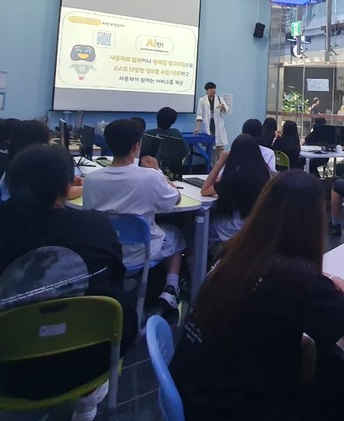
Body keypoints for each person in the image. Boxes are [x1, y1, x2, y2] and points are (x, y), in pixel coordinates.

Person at [170, 171, 344, 421]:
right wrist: (329, 289)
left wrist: (327, 281)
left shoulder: (236, 254)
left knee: (314, 353)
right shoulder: (294, 277)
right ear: (311, 221)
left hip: (196, 412)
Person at [0, 145, 137, 421]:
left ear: (10, 184)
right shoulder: (95, 227)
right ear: (67, 188)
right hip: (94, 358)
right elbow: (116, 273)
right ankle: (89, 396)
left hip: (15, 373)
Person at [82, 119, 186, 316]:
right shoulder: (150, 177)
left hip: (104, 251)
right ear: (136, 146)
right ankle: (171, 288)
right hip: (141, 253)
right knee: (176, 235)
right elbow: (176, 198)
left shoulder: (91, 180)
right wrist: (157, 171)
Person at [200, 134, 272, 242]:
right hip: (256, 225)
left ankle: (199, 252)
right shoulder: (265, 173)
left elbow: (205, 190)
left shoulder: (234, 177)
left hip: (234, 227)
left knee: (196, 226)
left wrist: (220, 162)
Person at [145, 106, 189, 175]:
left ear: (157, 118)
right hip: (172, 174)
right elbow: (185, 152)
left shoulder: (147, 134)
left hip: (149, 173)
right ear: (173, 121)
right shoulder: (176, 133)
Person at [194, 81, 230, 157]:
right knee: (209, 146)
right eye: (211, 89)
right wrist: (197, 127)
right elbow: (199, 115)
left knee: (220, 147)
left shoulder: (219, 99)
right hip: (208, 125)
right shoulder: (202, 100)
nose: (213, 90)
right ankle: (209, 163)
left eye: (214, 88)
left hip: (218, 125)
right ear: (207, 90)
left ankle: (220, 163)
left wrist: (223, 107)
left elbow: (227, 109)